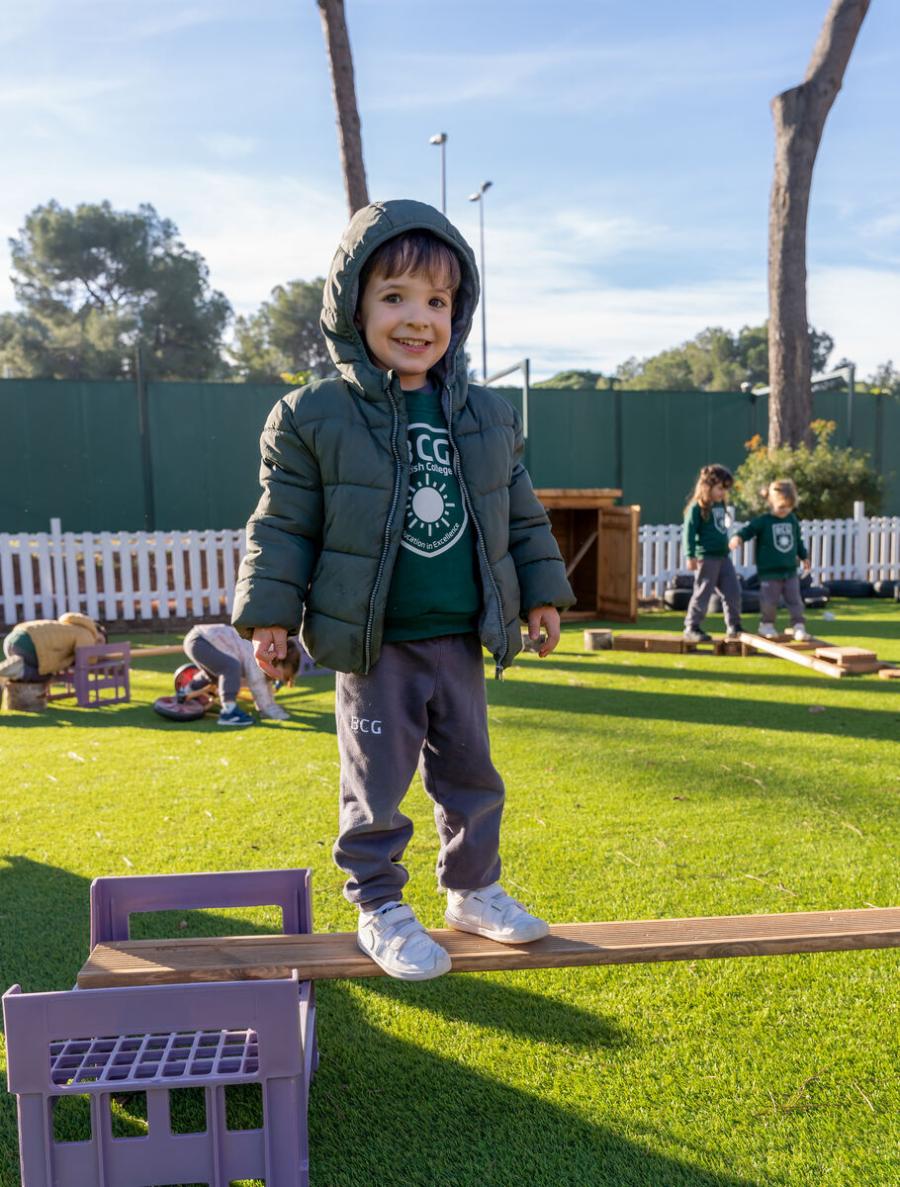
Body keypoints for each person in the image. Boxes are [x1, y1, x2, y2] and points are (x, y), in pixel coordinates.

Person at [232, 198, 574, 981]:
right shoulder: (314, 415)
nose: (418, 317)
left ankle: (474, 889)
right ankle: (379, 903)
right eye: (395, 296)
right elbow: (281, 524)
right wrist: (270, 618)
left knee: (472, 776)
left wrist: (539, 595)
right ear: (353, 306)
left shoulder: (487, 414)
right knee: (376, 782)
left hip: (459, 633)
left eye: (438, 300)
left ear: (459, 311)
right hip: (375, 643)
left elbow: (519, 515)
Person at [729, 479, 810, 640]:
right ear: (771, 502)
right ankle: (766, 625)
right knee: (769, 601)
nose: (785, 510)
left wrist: (803, 556)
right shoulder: (764, 521)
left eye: (788, 506)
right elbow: (748, 530)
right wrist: (738, 538)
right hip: (769, 572)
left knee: (795, 600)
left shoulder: (792, 520)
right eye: (781, 506)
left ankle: (798, 625)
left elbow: (797, 540)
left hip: (789, 570)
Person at [178, 622, 301, 726]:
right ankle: (228, 712)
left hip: (199, 639)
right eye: (278, 674)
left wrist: (270, 704)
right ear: (276, 660)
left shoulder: (265, 652)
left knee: (214, 675)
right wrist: (269, 709)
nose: (276, 677)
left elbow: (264, 683)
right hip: (202, 640)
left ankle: (186, 691)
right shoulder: (259, 656)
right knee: (231, 667)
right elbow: (257, 684)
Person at [681, 464, 742, 644]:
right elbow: (689, 532)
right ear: (707, 486)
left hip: (723, 557)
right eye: (720, 488)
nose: (723, 492)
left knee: (733, 591)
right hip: (706, 558)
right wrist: (690, 555)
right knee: (703, 593)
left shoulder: (719, 505)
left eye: (725, 489)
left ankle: (734, 626)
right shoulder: (697, 508)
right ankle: (692, 627)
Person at [0, 612, 105, 682]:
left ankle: (14, 669)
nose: (98, 645)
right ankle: (19, 670)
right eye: (100, 641)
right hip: (29, 646)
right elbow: (86, 658)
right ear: (96, 631)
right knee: (47, 676)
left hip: (11, 640)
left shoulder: (69, 626)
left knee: (37, 672)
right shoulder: (87, 634)